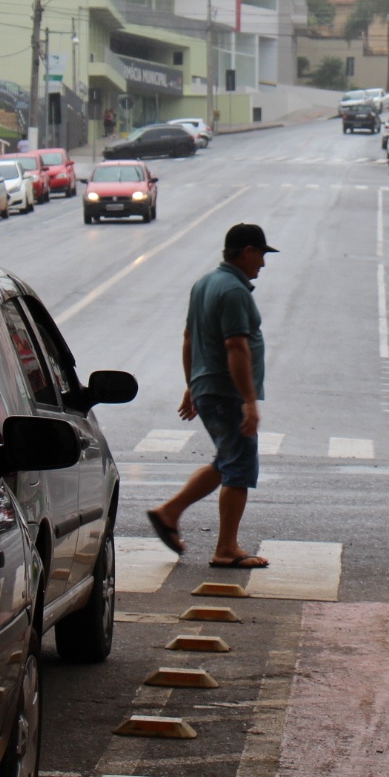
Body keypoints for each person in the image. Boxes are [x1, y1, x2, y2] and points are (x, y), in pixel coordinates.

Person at [147, 223, 278, 570]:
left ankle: (169, 512)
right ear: (247, 251)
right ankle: (226, 548)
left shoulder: (204, 284)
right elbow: (235, 346)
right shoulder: (234, 292)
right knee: (239, 467)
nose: (263, 263)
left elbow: (190, 338)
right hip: (226, 392)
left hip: (208, 388)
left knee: (228, 460)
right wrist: (249, 401)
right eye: (262, 254)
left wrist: (192, 384)